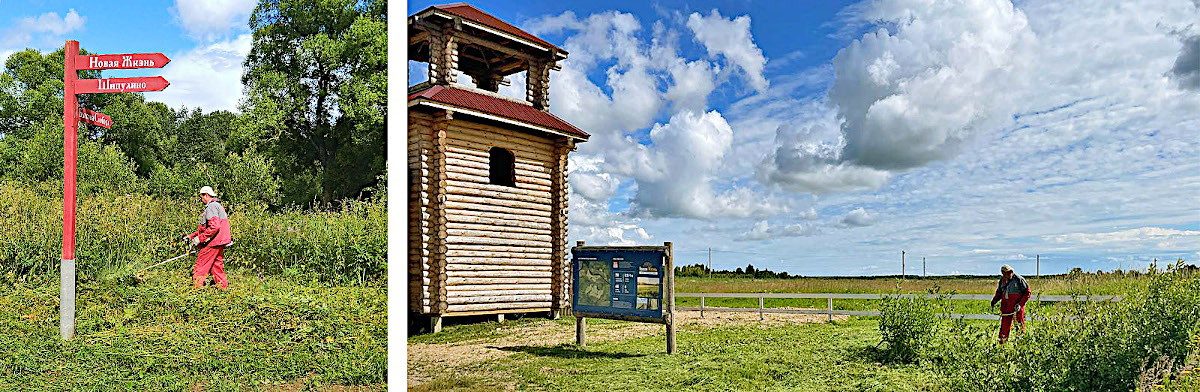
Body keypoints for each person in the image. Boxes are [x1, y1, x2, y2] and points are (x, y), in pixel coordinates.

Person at [183, 186, 231, 289]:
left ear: (206, 195)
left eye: (201, 197)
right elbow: (206, 228)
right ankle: (223, 291)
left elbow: (214, 226)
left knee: (200, 266)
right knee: (216, 268)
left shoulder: (211, 207)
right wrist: (191, 237)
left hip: (214, 242)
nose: (201, 200)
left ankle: (197, 292)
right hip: (220, 241)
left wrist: (200, 239)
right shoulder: (217, 206)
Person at [990, 264, 1030, 343]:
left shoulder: (1019, 279)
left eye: (1007, 273)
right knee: (1004, 328)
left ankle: (1021, 344)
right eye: (1003, 274)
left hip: (1017, 308)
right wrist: (994, 301)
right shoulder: (1002, 280)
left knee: (1019, 326)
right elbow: (999, 293)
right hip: (1006, 308)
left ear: (1011, 272)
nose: (1005, 275)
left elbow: (1027, 293)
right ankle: (1002, 344)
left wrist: (1020, 304)